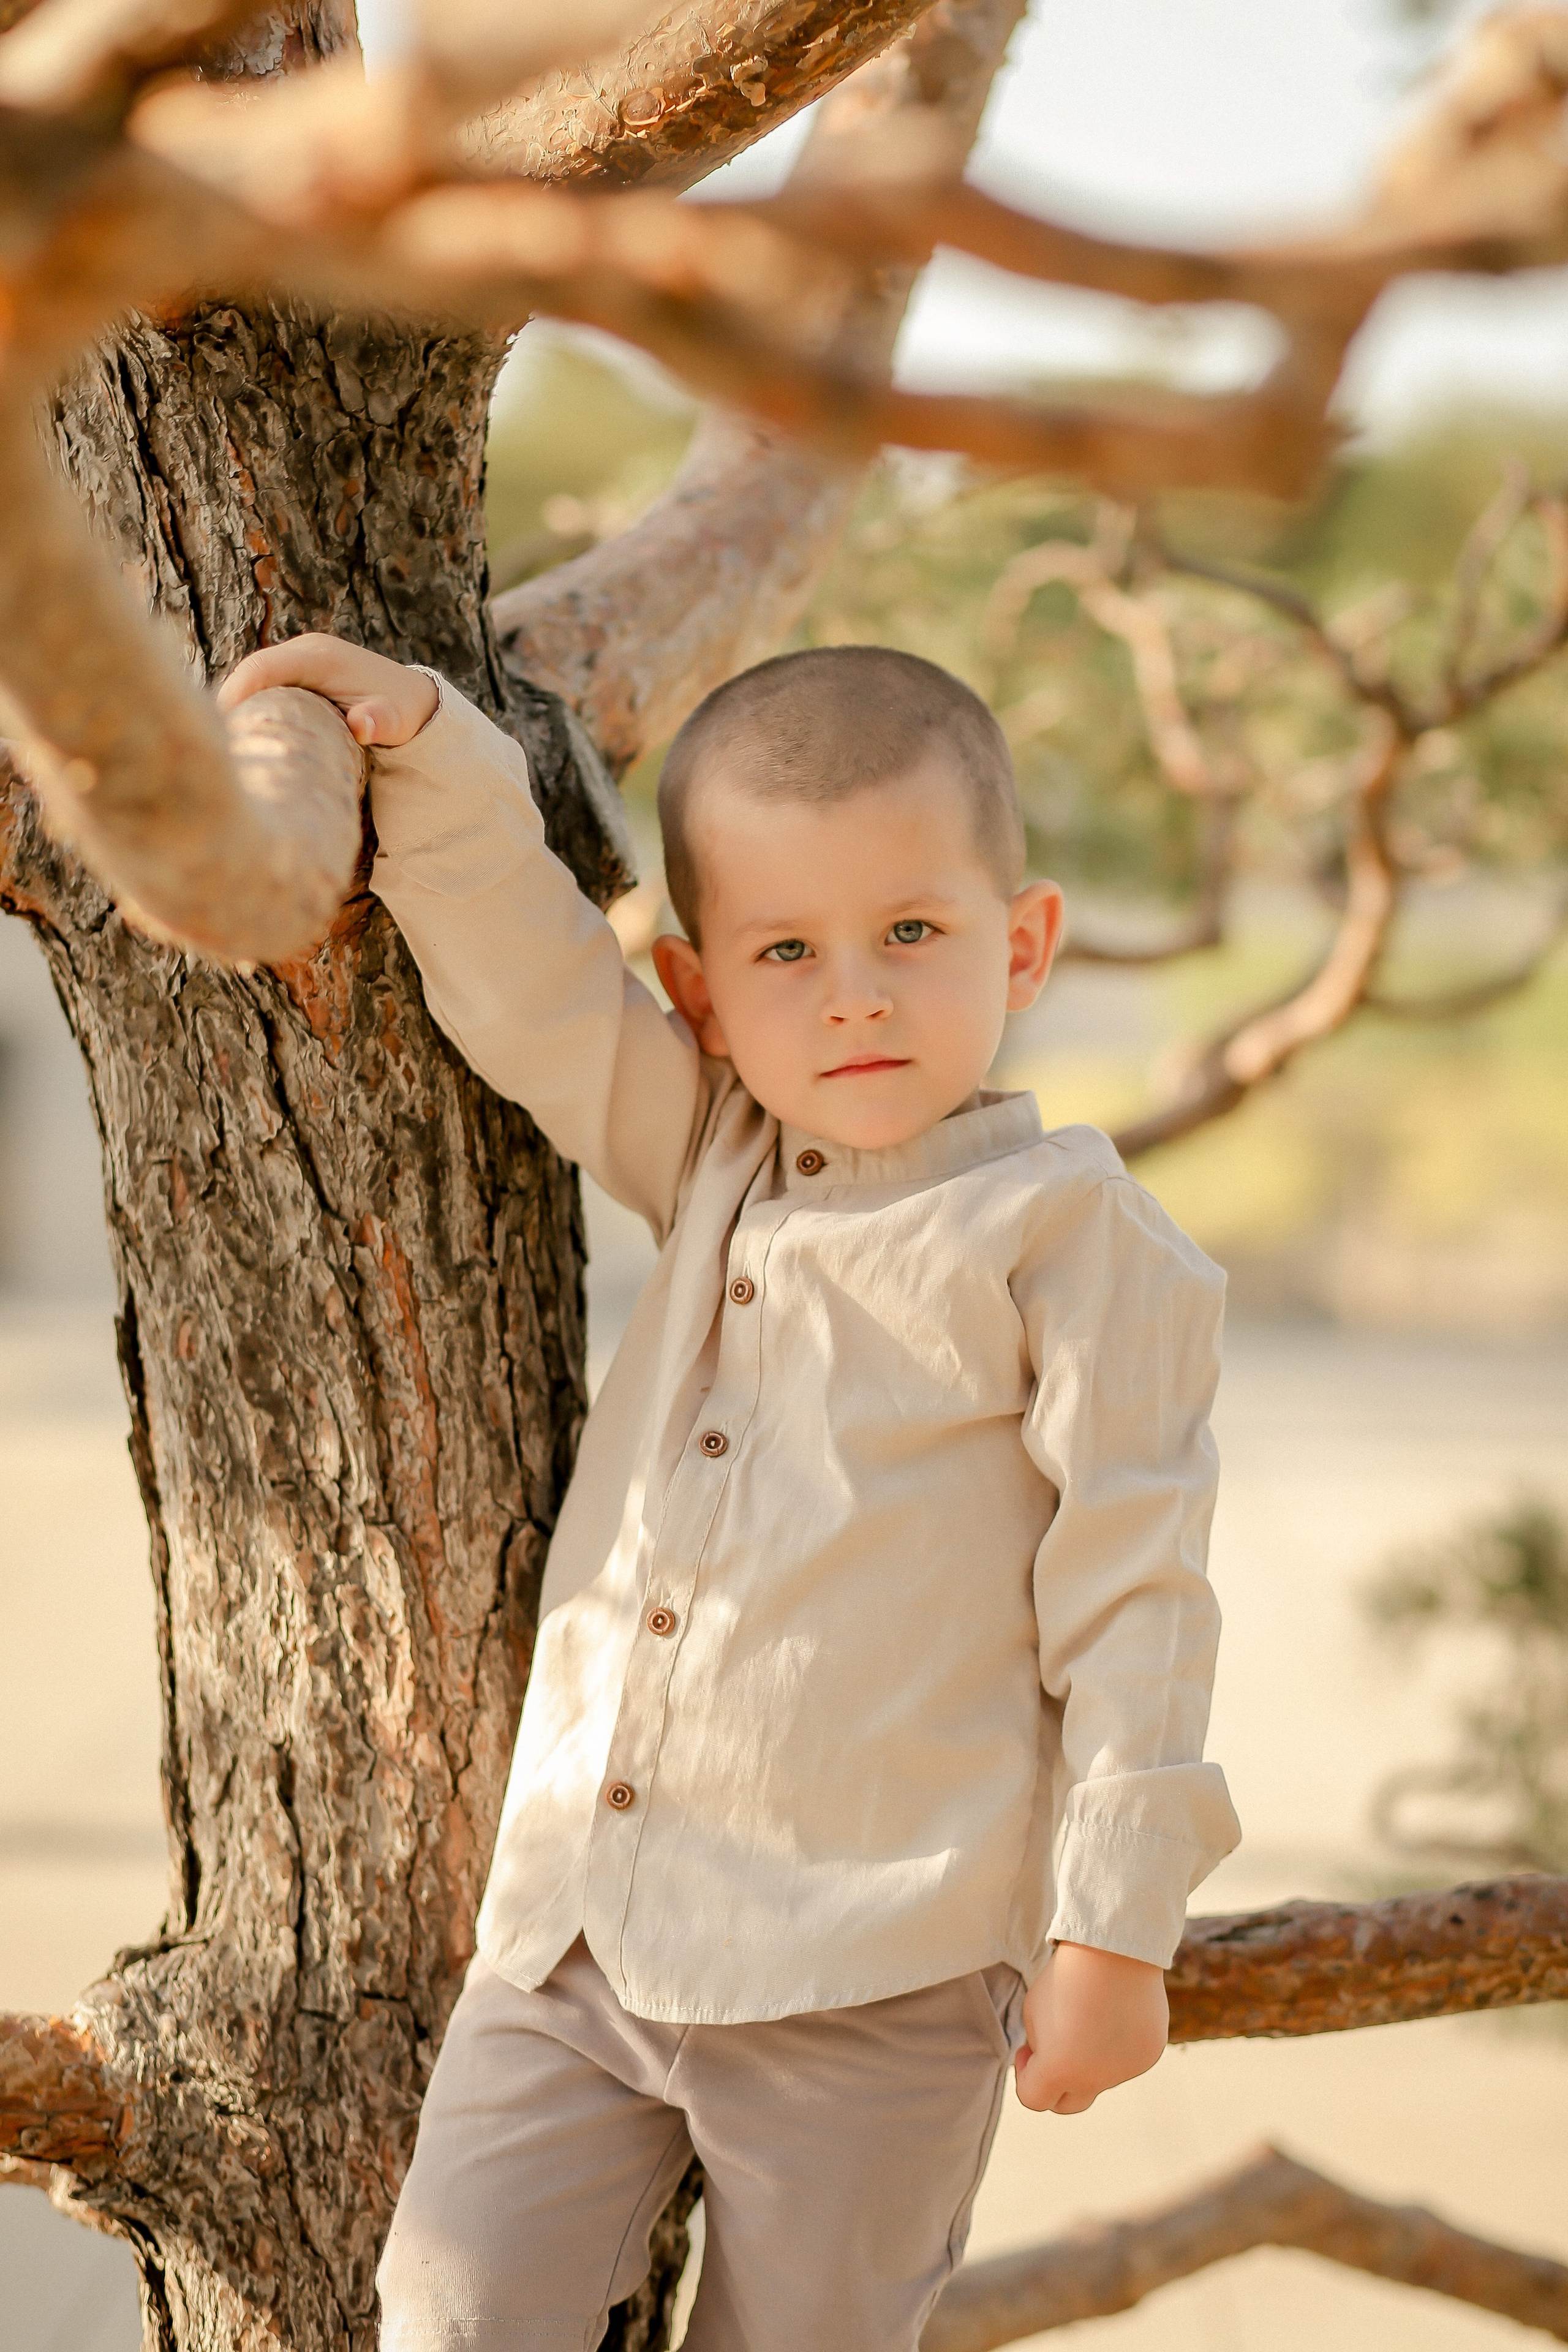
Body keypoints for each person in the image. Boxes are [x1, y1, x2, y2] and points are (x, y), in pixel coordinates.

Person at [219, 634, 1241, 2352]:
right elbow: (542, 989)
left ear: (1026, 941)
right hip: (577, 1936)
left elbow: (1138, 1592)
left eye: (912, 933)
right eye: (788, 951)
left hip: (882, 1971)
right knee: (450, 2310)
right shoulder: (711, 1157)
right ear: (704, 997)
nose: (855, 994)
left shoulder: (1078, 1241)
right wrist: (440, 757)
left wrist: (1118, 1930)